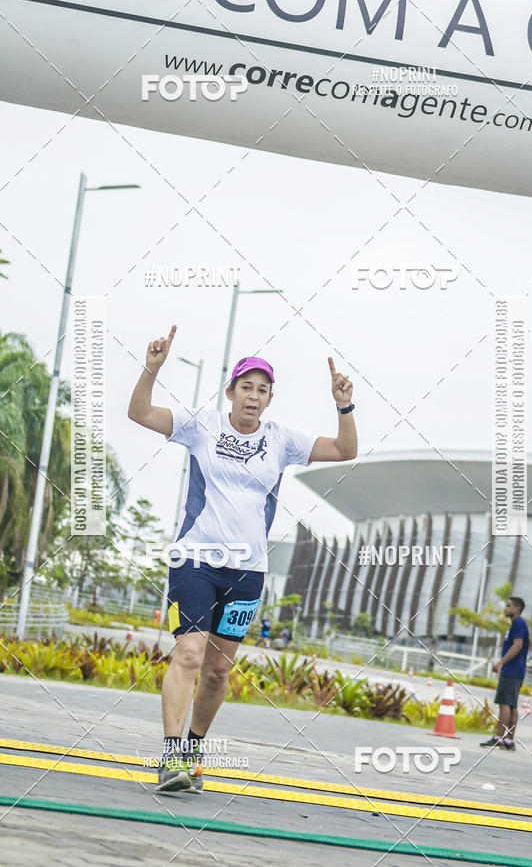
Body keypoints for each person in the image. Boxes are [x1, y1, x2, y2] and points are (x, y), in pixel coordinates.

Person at [128, 325, 357, 793]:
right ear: (230, 391)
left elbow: (345, 449)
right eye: (246, 388)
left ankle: (193, 751)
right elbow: (140, 413)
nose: (253, 397)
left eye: (262, 390)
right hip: (195, 559)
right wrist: (151, 370)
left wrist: (343, 406)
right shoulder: (202, 425)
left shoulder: (281, 439)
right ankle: (171, 758)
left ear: (270, 399)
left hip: (248, 571)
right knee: (189, 653)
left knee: (217, 669)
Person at [480, 596, 529, 751]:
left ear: (517, 608)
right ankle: (509, 740)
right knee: (512, 704)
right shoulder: (517, 624)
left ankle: (498, 737)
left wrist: (501, 663)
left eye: (508, 606)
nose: (505, 609)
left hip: (512, 670)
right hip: (515, 670)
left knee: (505, 703)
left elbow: (517, 646)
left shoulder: (518, 623)